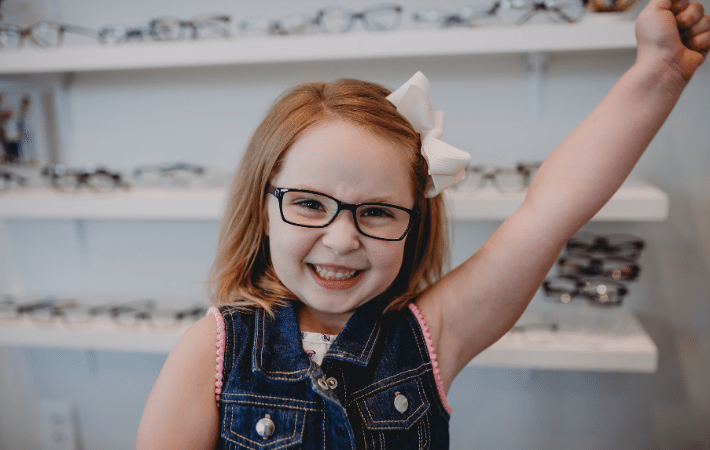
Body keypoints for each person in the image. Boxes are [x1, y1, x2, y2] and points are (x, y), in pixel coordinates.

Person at [137, 0, 710, 447]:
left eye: (377, 211)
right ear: (263, 210)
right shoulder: (213, 348)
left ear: (415, 222)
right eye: (309, 204)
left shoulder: (431, 333)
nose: (341, 240)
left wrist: (658, 74)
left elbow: (549, 211)